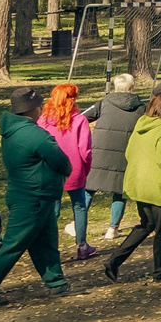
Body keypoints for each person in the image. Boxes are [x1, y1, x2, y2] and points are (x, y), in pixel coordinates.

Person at [0, 86, 71, 297]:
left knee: (45, 240)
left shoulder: (12, 130)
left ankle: (55, 281)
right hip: (33, 197)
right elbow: (61, 161)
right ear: (33, 108)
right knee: (14, 245)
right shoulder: (33, 134)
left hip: (32, 195)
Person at [107, 89, 161, 282]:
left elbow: (128, 153)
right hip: (158, 185)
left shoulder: (141, 124)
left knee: (146, 225)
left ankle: (114, 261)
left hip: (139, 182)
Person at [84, 74, 146, 250]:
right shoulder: (141, 107)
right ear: (132, 87)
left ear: (115, 86)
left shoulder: (104, 103)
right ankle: (113, 228)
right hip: (125, 151)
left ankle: (78, 221)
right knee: (119, 191)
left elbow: (83, 117)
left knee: (89, 187)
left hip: (100, 149)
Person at [39, 83, 95, 259]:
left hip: (51, 169)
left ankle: (49, 246)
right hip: (74, 168)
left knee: (52, 209)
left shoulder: (43, 120)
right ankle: (82, 245)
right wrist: (85, 168)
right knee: (79, 206)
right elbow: (85, 150)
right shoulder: (79, 120)